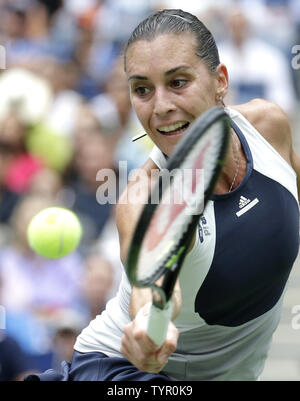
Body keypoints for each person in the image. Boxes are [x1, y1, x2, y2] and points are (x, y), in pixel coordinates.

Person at [25, 8, 300, 381]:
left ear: (220, 80)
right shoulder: (145, 199)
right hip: (124, 373)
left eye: (178, 82)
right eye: (142, 89)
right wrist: (148, 322)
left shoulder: (269, 126)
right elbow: (149, 283)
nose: (161, 106)